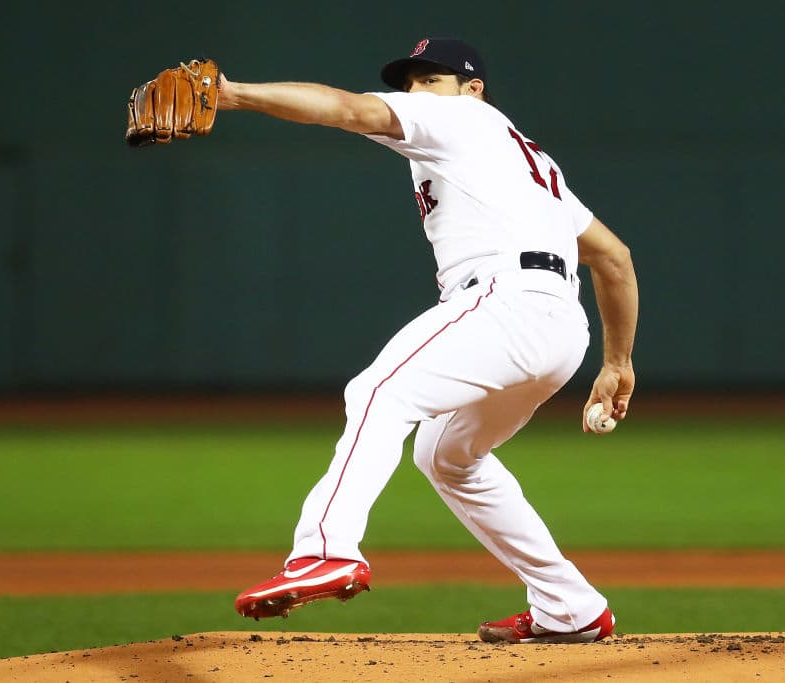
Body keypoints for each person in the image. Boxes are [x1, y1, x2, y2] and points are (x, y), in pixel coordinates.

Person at [225, 38, 638, 644]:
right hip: (558, 327)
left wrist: (232, 94)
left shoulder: (461, 116)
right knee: (448, 457)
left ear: (473, 89)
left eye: (433, 79)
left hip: (505, 300)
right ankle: (569, 605)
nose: (417, 92)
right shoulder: (530, 166)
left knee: (377, 392)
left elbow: (345, 109)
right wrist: (617, 361)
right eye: (411, 81)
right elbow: (615, 258)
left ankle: (324, 550)